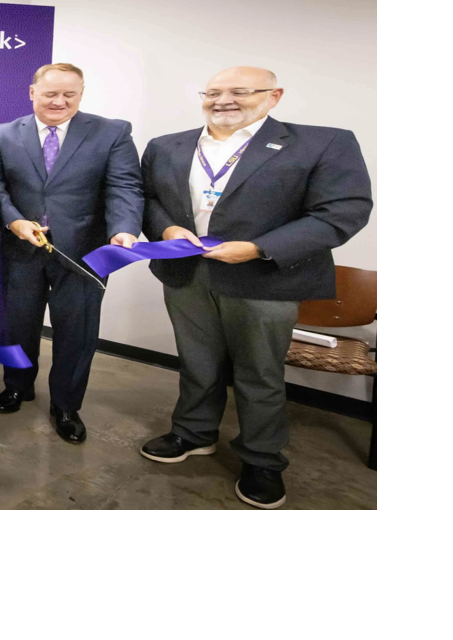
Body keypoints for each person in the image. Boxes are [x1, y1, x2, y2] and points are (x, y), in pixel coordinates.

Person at [137, 67, 372, 509]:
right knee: (196, 362)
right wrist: (165, 229)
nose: (223, 100)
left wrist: (260, 248)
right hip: (187, 273)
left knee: (259, 373)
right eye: (213, 92)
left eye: (239, 91)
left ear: (273, 96)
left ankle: (262, 459)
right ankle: (193, 432)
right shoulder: (167, 145)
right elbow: (147, 198)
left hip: (266, 278)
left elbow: (343, 211)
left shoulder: (323, 143)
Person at [0, 63, 141, 444]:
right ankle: (17, 386)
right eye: (51, 93)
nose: (59, 101)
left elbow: (124, 186)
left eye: (69, 94)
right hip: (22, 247)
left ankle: (67, 405)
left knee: (77, 332)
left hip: (84, 253)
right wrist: (14, 221)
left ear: (81, 94)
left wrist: (124, 229)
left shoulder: (112, 132)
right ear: (32, 92)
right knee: (19, 325)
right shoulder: (3, 134)